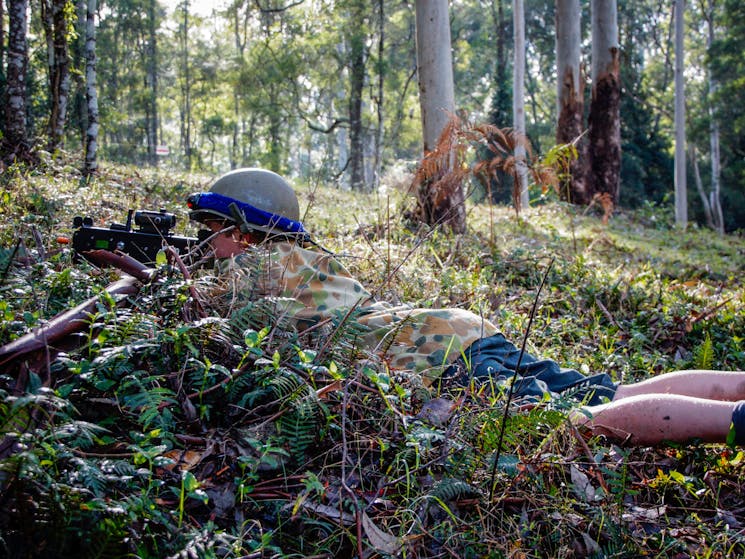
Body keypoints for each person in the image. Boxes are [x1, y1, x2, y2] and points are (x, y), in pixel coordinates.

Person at [187, 168, 745, 446]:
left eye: (211, 229)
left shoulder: (249, 271)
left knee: (581, 421)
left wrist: (144, 275)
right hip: (456, 332)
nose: (204, 243)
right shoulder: (308, 260)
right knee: (609, 390)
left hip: (439, 362)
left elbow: (188, 305)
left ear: (241, 230)